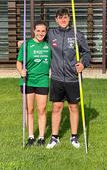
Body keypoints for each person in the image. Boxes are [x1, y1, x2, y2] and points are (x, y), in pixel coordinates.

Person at [45, 8, 90, 149]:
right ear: (56, 19)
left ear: (69, 18)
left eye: (65, 17)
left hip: (73, 79)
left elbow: (87, 52)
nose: (63, 20)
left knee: (73, 107)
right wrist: (24, 43)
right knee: (57, 107)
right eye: (60, 17)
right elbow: (37, 39)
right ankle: (54, 137)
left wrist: (83, 63)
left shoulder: (77, 34)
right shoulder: (51, 34)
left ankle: (74, 137)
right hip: (57, 78)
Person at [17, 21, 51, 147]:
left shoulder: (48, 46)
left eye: (43, 31)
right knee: (29, 110)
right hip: (28, 81)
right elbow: (19, 62)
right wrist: (21, 71)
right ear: (33, 31)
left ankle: (41, 137)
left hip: (42, 81)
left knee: (41, 109)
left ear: (46, 32)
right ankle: (31, 136)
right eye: (38, 30)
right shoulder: (26, 45)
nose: (40, 33)